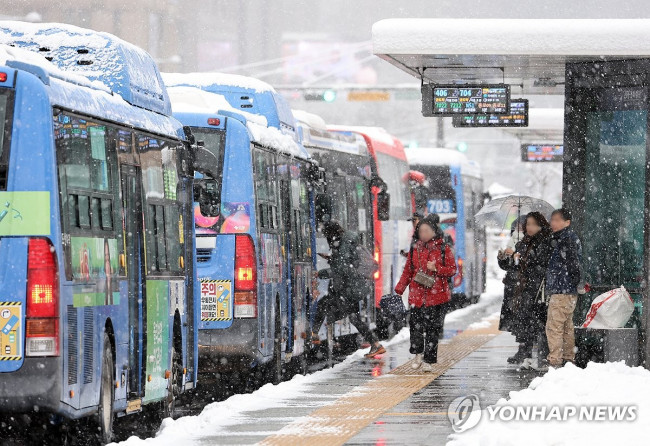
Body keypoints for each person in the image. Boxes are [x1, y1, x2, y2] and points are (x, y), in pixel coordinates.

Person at [312, 221, 386, 358]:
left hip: (348, 289)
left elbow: (342, 268)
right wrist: (332, 259)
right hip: (351, 288)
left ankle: (313, 335)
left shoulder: (344, 243)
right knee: (354, 318)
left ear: (331, 233)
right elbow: (346, 262)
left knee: (324, 304)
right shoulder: (346, 241)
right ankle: (376, 344)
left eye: (327, 234)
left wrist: (320, 273)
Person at [394, 215, 457, 372]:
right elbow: (408, 270)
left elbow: (452, 270)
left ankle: (428, 360)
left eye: (427, 230)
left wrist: (437, 269)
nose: (423, 234)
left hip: (437, 297)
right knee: (415, 327)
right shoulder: (415, 248)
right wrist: (399, 289)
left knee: (432, 329)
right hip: (417, 295)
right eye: (421, 231)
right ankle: (417, 354)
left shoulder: (444, 248)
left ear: (434, 231)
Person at [511, 212, 553, 369]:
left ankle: (542, 356)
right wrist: (507, 258)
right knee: (526, 322)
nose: (530, 227)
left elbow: (542, 263)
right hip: (525, 289)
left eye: (533, 224)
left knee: (540, 323)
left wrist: (525, 258)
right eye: (528, 224)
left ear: (541, 225)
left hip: (539, 289)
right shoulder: (523, 242)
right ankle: (526, 355)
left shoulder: (546, 241)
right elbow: (514, 266)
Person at [545, 208, 582, 368]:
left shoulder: (565, 239)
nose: (553, 223)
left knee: (554, 327)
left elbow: (572, 264)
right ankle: (568, 358)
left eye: (557, 220)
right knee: (567, 326)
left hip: (561, 290)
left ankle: (555, 360)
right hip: (568, 291)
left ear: (567, 222)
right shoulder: (567, 238)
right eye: (552, 219)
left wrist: (570, 280)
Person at [497, 216, 526, 333]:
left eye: (520, 226)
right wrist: (502, 258)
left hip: (522, 285)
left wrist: (515, 255)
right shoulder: (511, 242)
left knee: (522, 316)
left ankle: (524, 344)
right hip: (511, 284)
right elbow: (507, 266)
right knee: (512, 314)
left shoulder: (528, 243)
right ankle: (520, 341)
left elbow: (523, 265)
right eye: (515, 227)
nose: (517, 229)